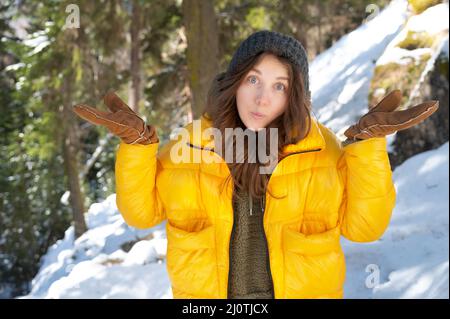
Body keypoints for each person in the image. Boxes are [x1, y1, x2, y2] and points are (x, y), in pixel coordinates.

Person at [73, 30, 438, 299]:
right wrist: (137, 147)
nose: (263, 98)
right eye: (253, 80)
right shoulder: (192, 145)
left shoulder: (322, 152)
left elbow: (365, 228)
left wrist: (368, 147)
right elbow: (142, 213)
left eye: (280, 86)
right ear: (234, 83)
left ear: (295, 96)